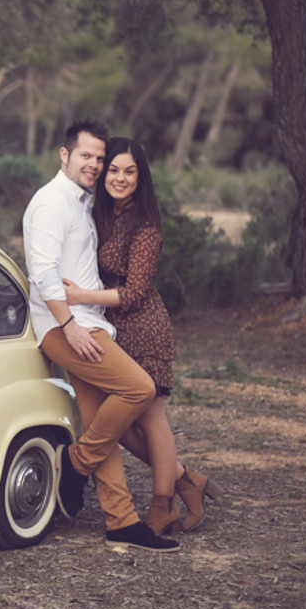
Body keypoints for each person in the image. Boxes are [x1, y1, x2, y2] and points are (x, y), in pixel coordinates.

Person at [22, 119, 178, 552]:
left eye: (99, 158)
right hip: (66, 327)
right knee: (138, 389)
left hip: (89, 324)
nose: (94, 165)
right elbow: (43, 273)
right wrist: (70, 328)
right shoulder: (52, 203)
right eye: (86, 156)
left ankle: (121, 520)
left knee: (97, 424)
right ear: (64, 155)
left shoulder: (82, 203)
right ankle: (75, 463)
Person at [63, 137, 222, 534]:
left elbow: (133, 293)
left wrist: (79, 296)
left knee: (150, 420)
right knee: (118, 425)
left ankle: (163, 504)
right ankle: (186, 480)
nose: (120, 178)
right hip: (105, 323)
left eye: (129, 171)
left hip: (141, 325)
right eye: (113, 169)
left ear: (141, 176)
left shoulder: (146, 226)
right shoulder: (98, 212)